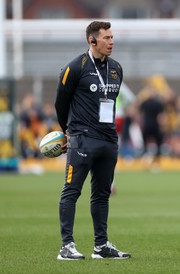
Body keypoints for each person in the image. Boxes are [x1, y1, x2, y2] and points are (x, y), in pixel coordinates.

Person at [54, 21, 131, 260]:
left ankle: (101, 246)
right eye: (106, 38)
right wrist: (68, 131)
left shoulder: (116, 68)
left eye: (112, 37)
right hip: (83, 139)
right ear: (92, 40)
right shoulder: (75, 67)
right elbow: (60, 103)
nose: (111, 41)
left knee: (102, 194)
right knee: (71, 191)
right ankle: (66, 246)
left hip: (108, 140)